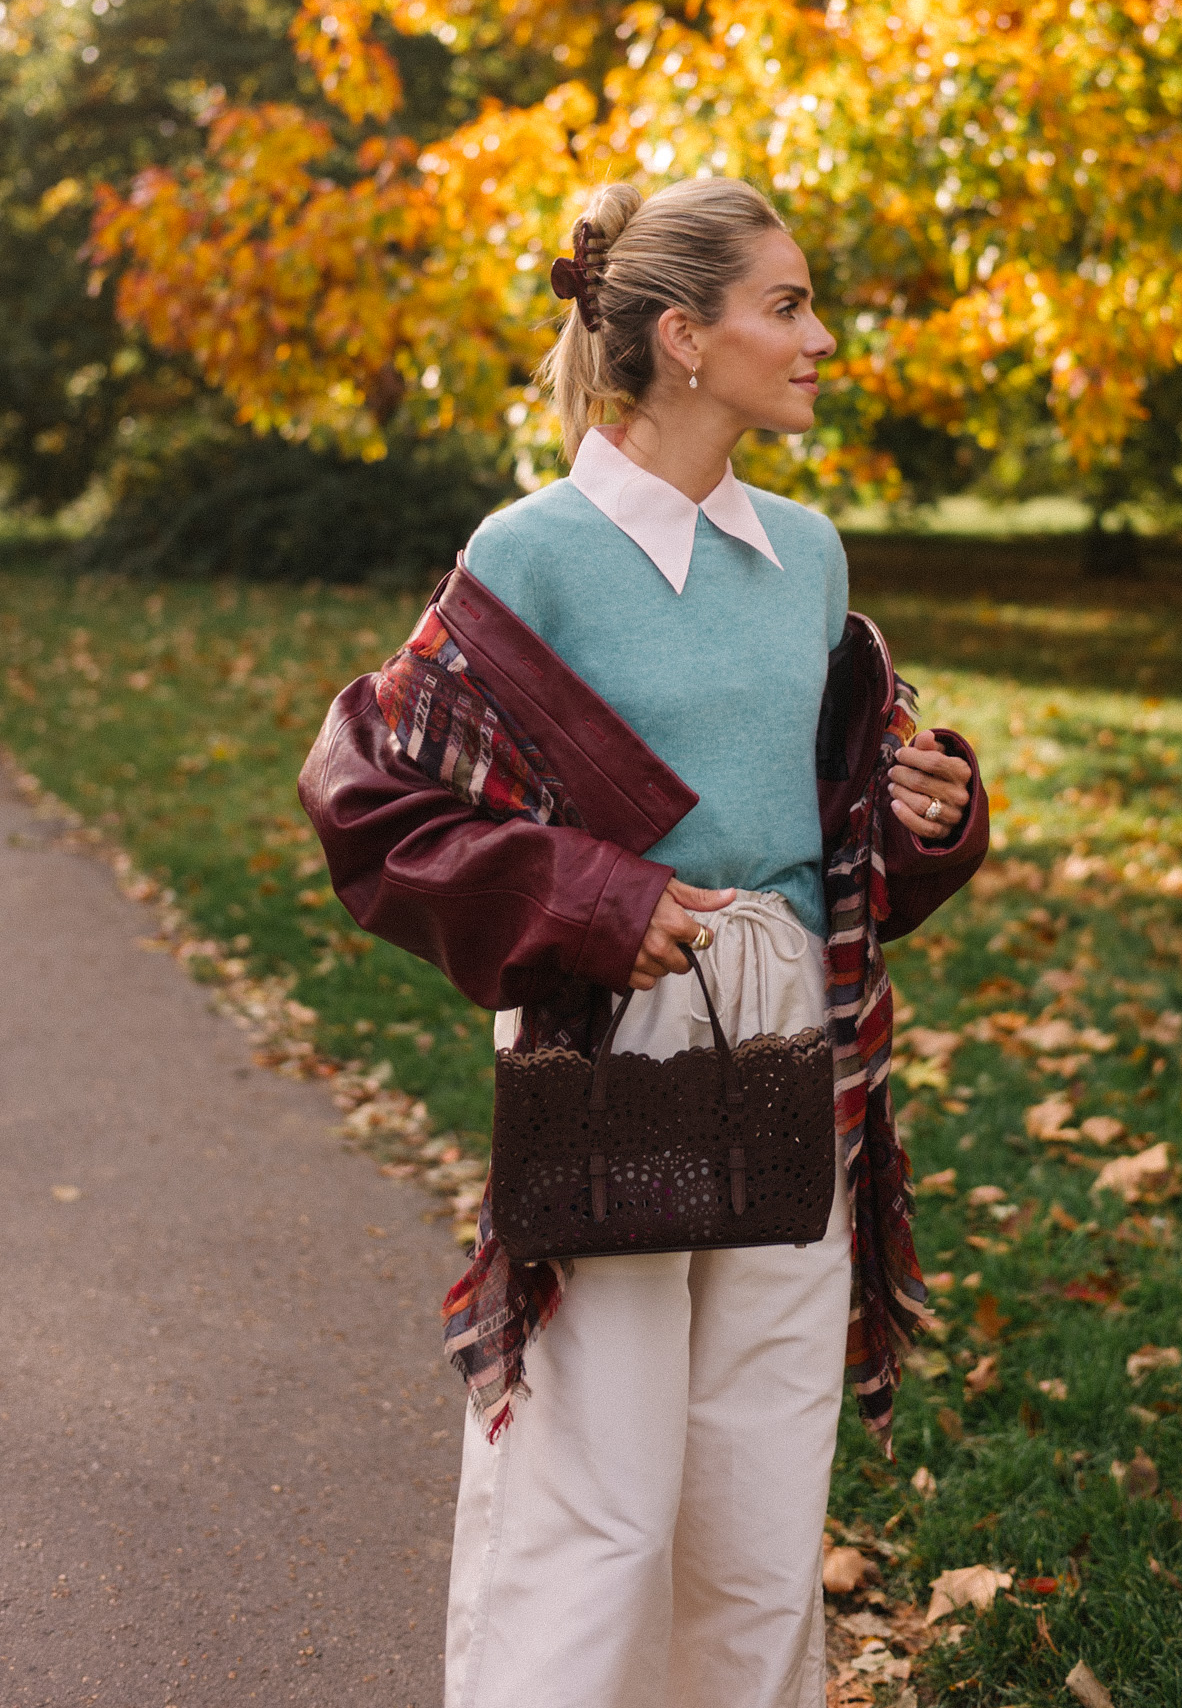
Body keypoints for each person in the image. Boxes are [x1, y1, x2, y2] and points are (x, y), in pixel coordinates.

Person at [299, 175, 988, 1708]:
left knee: (756, 1490)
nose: (820, 338)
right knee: (599, 1495)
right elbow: (370, 801)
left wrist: (923, 810)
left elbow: (826, 826)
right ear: (685, 337)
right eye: (788, 305)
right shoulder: (533, 558)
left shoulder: (806, 557)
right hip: (620, 1034)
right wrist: (594, 901)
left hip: (793, 1037)